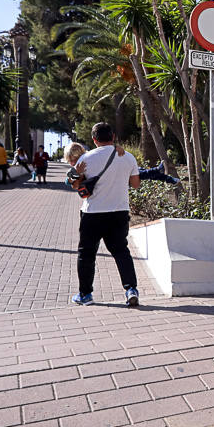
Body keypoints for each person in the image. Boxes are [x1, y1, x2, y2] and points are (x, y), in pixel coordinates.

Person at [66, 123, 141, 307]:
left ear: (94, 139)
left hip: (93, 213)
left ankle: (85, 295)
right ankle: (131, 289)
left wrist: (77, 173)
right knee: (121, 251)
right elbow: (136, 184)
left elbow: (75, 186)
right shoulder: (127, 157)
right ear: (113, 136)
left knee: (86, 254)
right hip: (119, 211)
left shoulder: (86, 158)